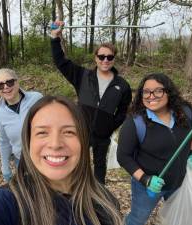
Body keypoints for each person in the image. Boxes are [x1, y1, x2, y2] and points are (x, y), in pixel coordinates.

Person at [0, 95, 123, 225]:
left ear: (83, 140)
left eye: (69, 132)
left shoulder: (106, 202)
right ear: (28, 143)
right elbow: (3, 141)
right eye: (42, 132)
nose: (55, 143)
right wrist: (5, 165)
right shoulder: (11, 202)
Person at [50, 21, 132, 184]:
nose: (105, 60)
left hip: (103, 135)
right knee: (77, 162)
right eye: (101, 56)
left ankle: (98, 196)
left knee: (99, 166)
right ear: (96, 58)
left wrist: (110, 126)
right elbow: (61, 62)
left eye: (109, 57)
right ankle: (74, 190)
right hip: (81, 130)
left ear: (114, 59)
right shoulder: (83, 76)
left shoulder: (122, 85)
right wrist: (54, 38)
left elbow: (123, 112)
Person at [117, 73, 192, 225]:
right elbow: (123, 156)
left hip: (180, 181)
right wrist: (146, 180)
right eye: (146, 91)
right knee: (138, 219)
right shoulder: (135, 122)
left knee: (176, 215)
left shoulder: (185, 111)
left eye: (158, 91)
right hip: (148, 187)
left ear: (168, 92)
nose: (151, 96)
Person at [0, 68, 42, 182]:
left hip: (44, 157)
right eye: (0, 85)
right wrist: (5, 167)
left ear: (17, 81)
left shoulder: (37, 99)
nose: (5, 87)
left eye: (9, 82)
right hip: (21, 162)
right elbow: (3, 141)